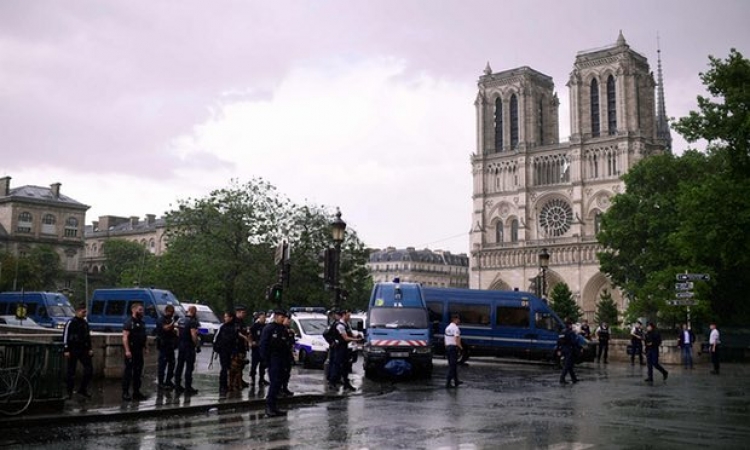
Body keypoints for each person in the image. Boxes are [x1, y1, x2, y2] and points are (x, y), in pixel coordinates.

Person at [260, 309, 292, 417]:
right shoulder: (269, 328)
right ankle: (269, 407)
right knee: (274, 383)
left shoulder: (283, 329)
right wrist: (265, 360)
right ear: (276, 317)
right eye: (281, 317)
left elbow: (286, 345)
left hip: (282, 359)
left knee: (278, 384)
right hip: (273, 359)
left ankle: (274, 407)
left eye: (284, 317)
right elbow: (263, 345)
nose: (283, 319)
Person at [63, 302, 93, 399]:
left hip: (83, 349)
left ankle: (82, 389)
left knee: (89, 369)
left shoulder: (85, 323)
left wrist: (90, 348)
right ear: (78, 311)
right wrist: (66, 349)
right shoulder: (71, 322)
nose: (84, 314)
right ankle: (69, 392)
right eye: (83, 312)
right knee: (71, 372)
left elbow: (87, 337)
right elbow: (65, 336)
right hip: (73, 349)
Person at [328, 309, 362, 391]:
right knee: (337, 365)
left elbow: (350, 334)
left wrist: (357, 336)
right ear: (343, 315)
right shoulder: (339, 325)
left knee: (346, 366)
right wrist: (356, 340)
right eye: (348, 316)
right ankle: (332, 383)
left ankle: (346, 383)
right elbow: (345, 338)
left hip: (345, 347)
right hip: (339, 347)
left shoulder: (346, 324)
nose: (349, 317)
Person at [122, 302, 148, 401]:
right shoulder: (129, 322)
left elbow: (143, 336)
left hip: (139, 350)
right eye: (140, 310)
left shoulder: (142, 322)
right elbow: (125, 337)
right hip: (131, 350)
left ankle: (136, 392)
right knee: (128, 373)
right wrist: (127, 350)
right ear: (133, 310)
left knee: (138, 372)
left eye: (142, 310)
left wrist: (146, 347)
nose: (142, 312)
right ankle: (125, 392)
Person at [175, 305, 200, 395]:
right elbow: (193, 334)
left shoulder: (180, 320)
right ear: (194, 312)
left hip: (181, 345)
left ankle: (177, 385)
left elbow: (177, 333)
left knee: (179, 366)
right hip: (189, 346)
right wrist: (196, 344)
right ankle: (188, 387)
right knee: (189, 367)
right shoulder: (192, 321)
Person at [213, 311, 237, 396]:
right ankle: (223, 386)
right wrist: (216, 347)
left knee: (229, 369)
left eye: (226, 317)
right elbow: (217, 338)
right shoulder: (223, 327)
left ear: (231, 318)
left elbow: (234, 341)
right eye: (225, 317)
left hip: (229, 351)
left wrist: (233, 352)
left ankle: (228, 385)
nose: (225, 318)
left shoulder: (233, 328)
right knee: (224, 369)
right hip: (223, 351)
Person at [156, 304, 178, 390]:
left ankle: (168, 380)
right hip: (163, 345)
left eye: (173, 312)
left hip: (170, 345)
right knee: (162, 364)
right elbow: (166, 328)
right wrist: (173, 322)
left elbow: (173, 330)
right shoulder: (161, 320)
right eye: (170, 312)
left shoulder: (170, 320)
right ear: (166, 311)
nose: (172, 314)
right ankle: (161, 382)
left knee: (172, 363)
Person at [230, 305, 251, 391]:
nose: (244, 314)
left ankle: (239, 382)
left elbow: (244, 331)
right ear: (237, 312)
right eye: (242, 312)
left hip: (242, 346)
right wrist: (245, 337)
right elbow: (237, 332)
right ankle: (233, 384)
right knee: (235, 366)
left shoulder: (242, 322)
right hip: (236, 347)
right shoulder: (235, 321)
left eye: (244, 313)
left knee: (241, 366)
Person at [249, 311, 268, 389]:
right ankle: (253, 379)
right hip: (256, 349)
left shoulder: (266, 327)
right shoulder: (254, 326)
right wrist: (251, 342)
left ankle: (261, 379)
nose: (263, 319)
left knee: (263, 366)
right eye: (262, 317)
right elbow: (249, 335)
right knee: (254, 365)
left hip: (263, 349)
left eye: (264, 318)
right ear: (259, 318)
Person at [558, 318, 580, 384]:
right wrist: (577, 338)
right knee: (567, 365)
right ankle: (562, 379)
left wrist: (559, 349)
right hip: (569, 350)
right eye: (571, 325)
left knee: (569, 365)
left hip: (563, 349)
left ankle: (574, 379)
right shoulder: (570, 332)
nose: (571, 326)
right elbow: (574, 341)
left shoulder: (562, 331)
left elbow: (559, 341)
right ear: (569, 325)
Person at [444, 313, 463, 388]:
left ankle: (456, 381)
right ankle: (448, 383)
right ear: (455, 319)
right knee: (452, 366)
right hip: (453, 348)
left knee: (453, 365)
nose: (459, 320)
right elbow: (457, 339)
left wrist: (446, 347)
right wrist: (461, 347)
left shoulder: (447, 328)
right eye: (458, 319)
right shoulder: (455, 328)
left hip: (448, 347)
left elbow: (445, 339)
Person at [280, 315, 295, 397]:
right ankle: (279, 389)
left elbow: (291, 342)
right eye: (287, 320)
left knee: (287, 372)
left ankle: (285, 387)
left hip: (288, 354)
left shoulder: (289, 330)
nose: (288, 321)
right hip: (281, 355)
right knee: (281, 373)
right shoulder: (280, 329)